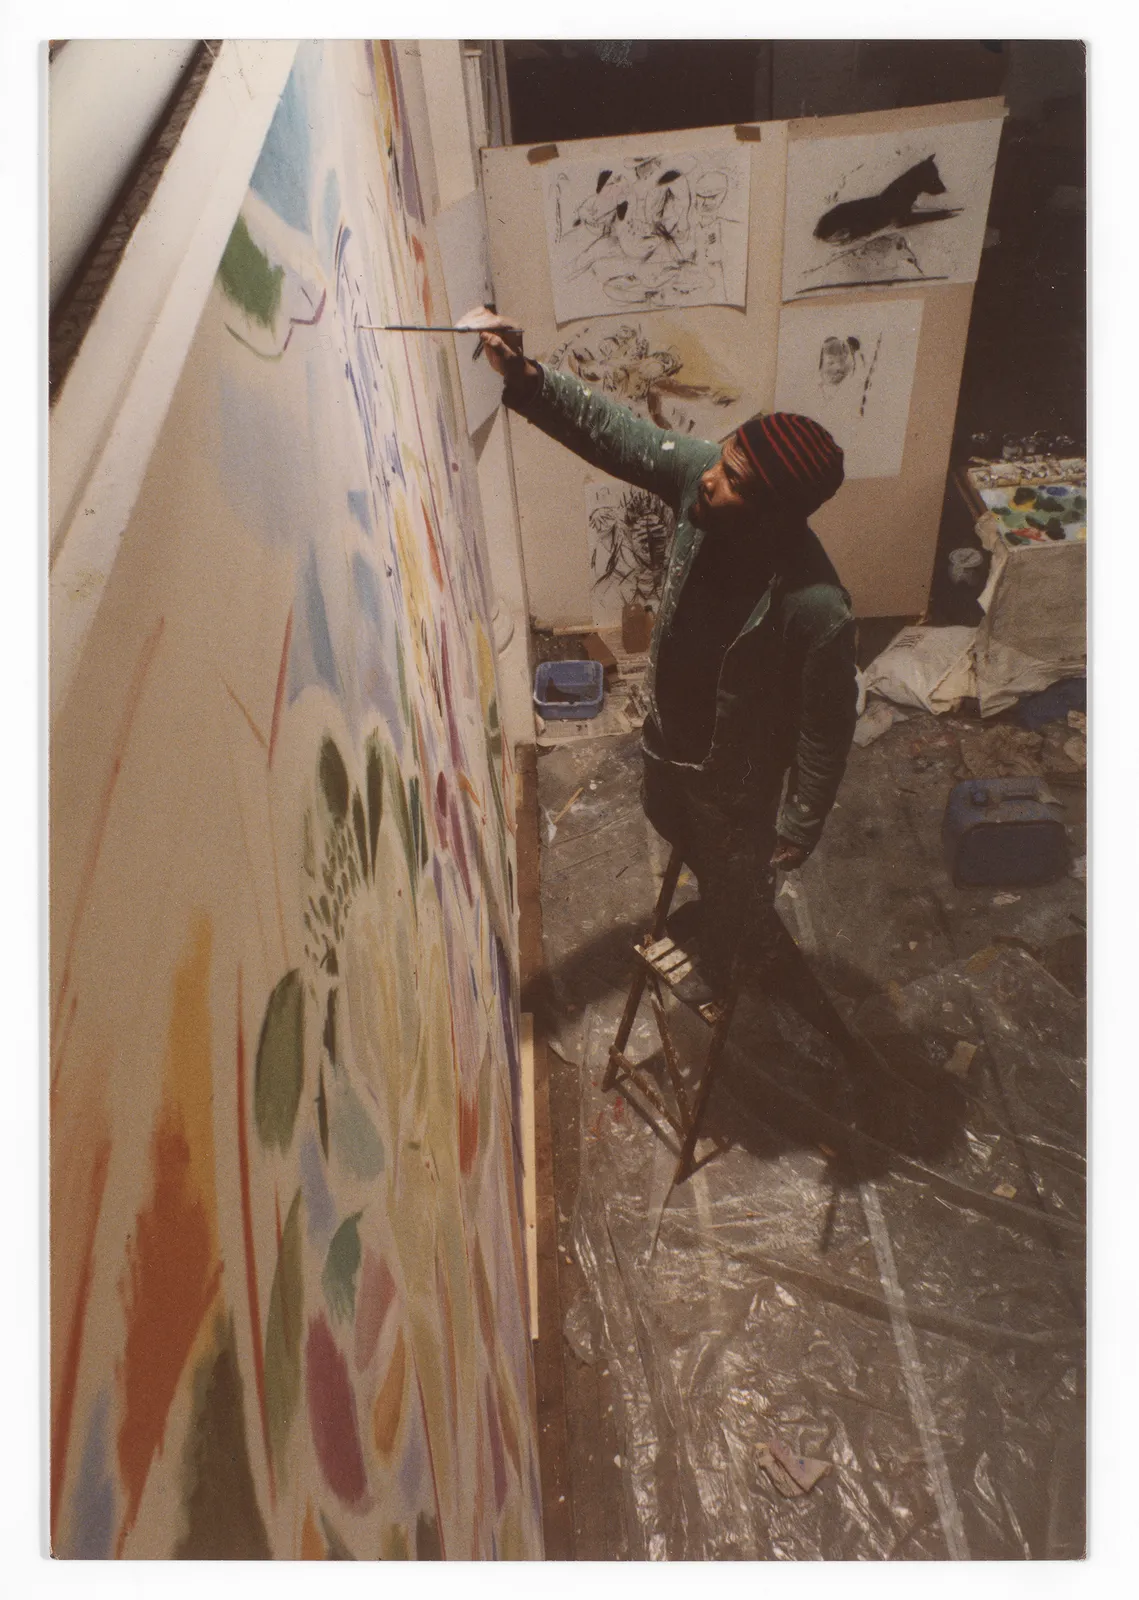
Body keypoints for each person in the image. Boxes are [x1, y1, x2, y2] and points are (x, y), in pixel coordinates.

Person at [467, 308, 858, 996]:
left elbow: (826, 723)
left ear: (775, 513)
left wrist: (799, 821)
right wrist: (525, 377)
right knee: (674, 824)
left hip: (737, 773)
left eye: (736, 482)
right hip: (669, 734)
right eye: (725, 458)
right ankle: (718, 897)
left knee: (735, 870)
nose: (712, 478)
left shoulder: (814, 605)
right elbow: (616, 436)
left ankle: (728, 957)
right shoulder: (701, 476)